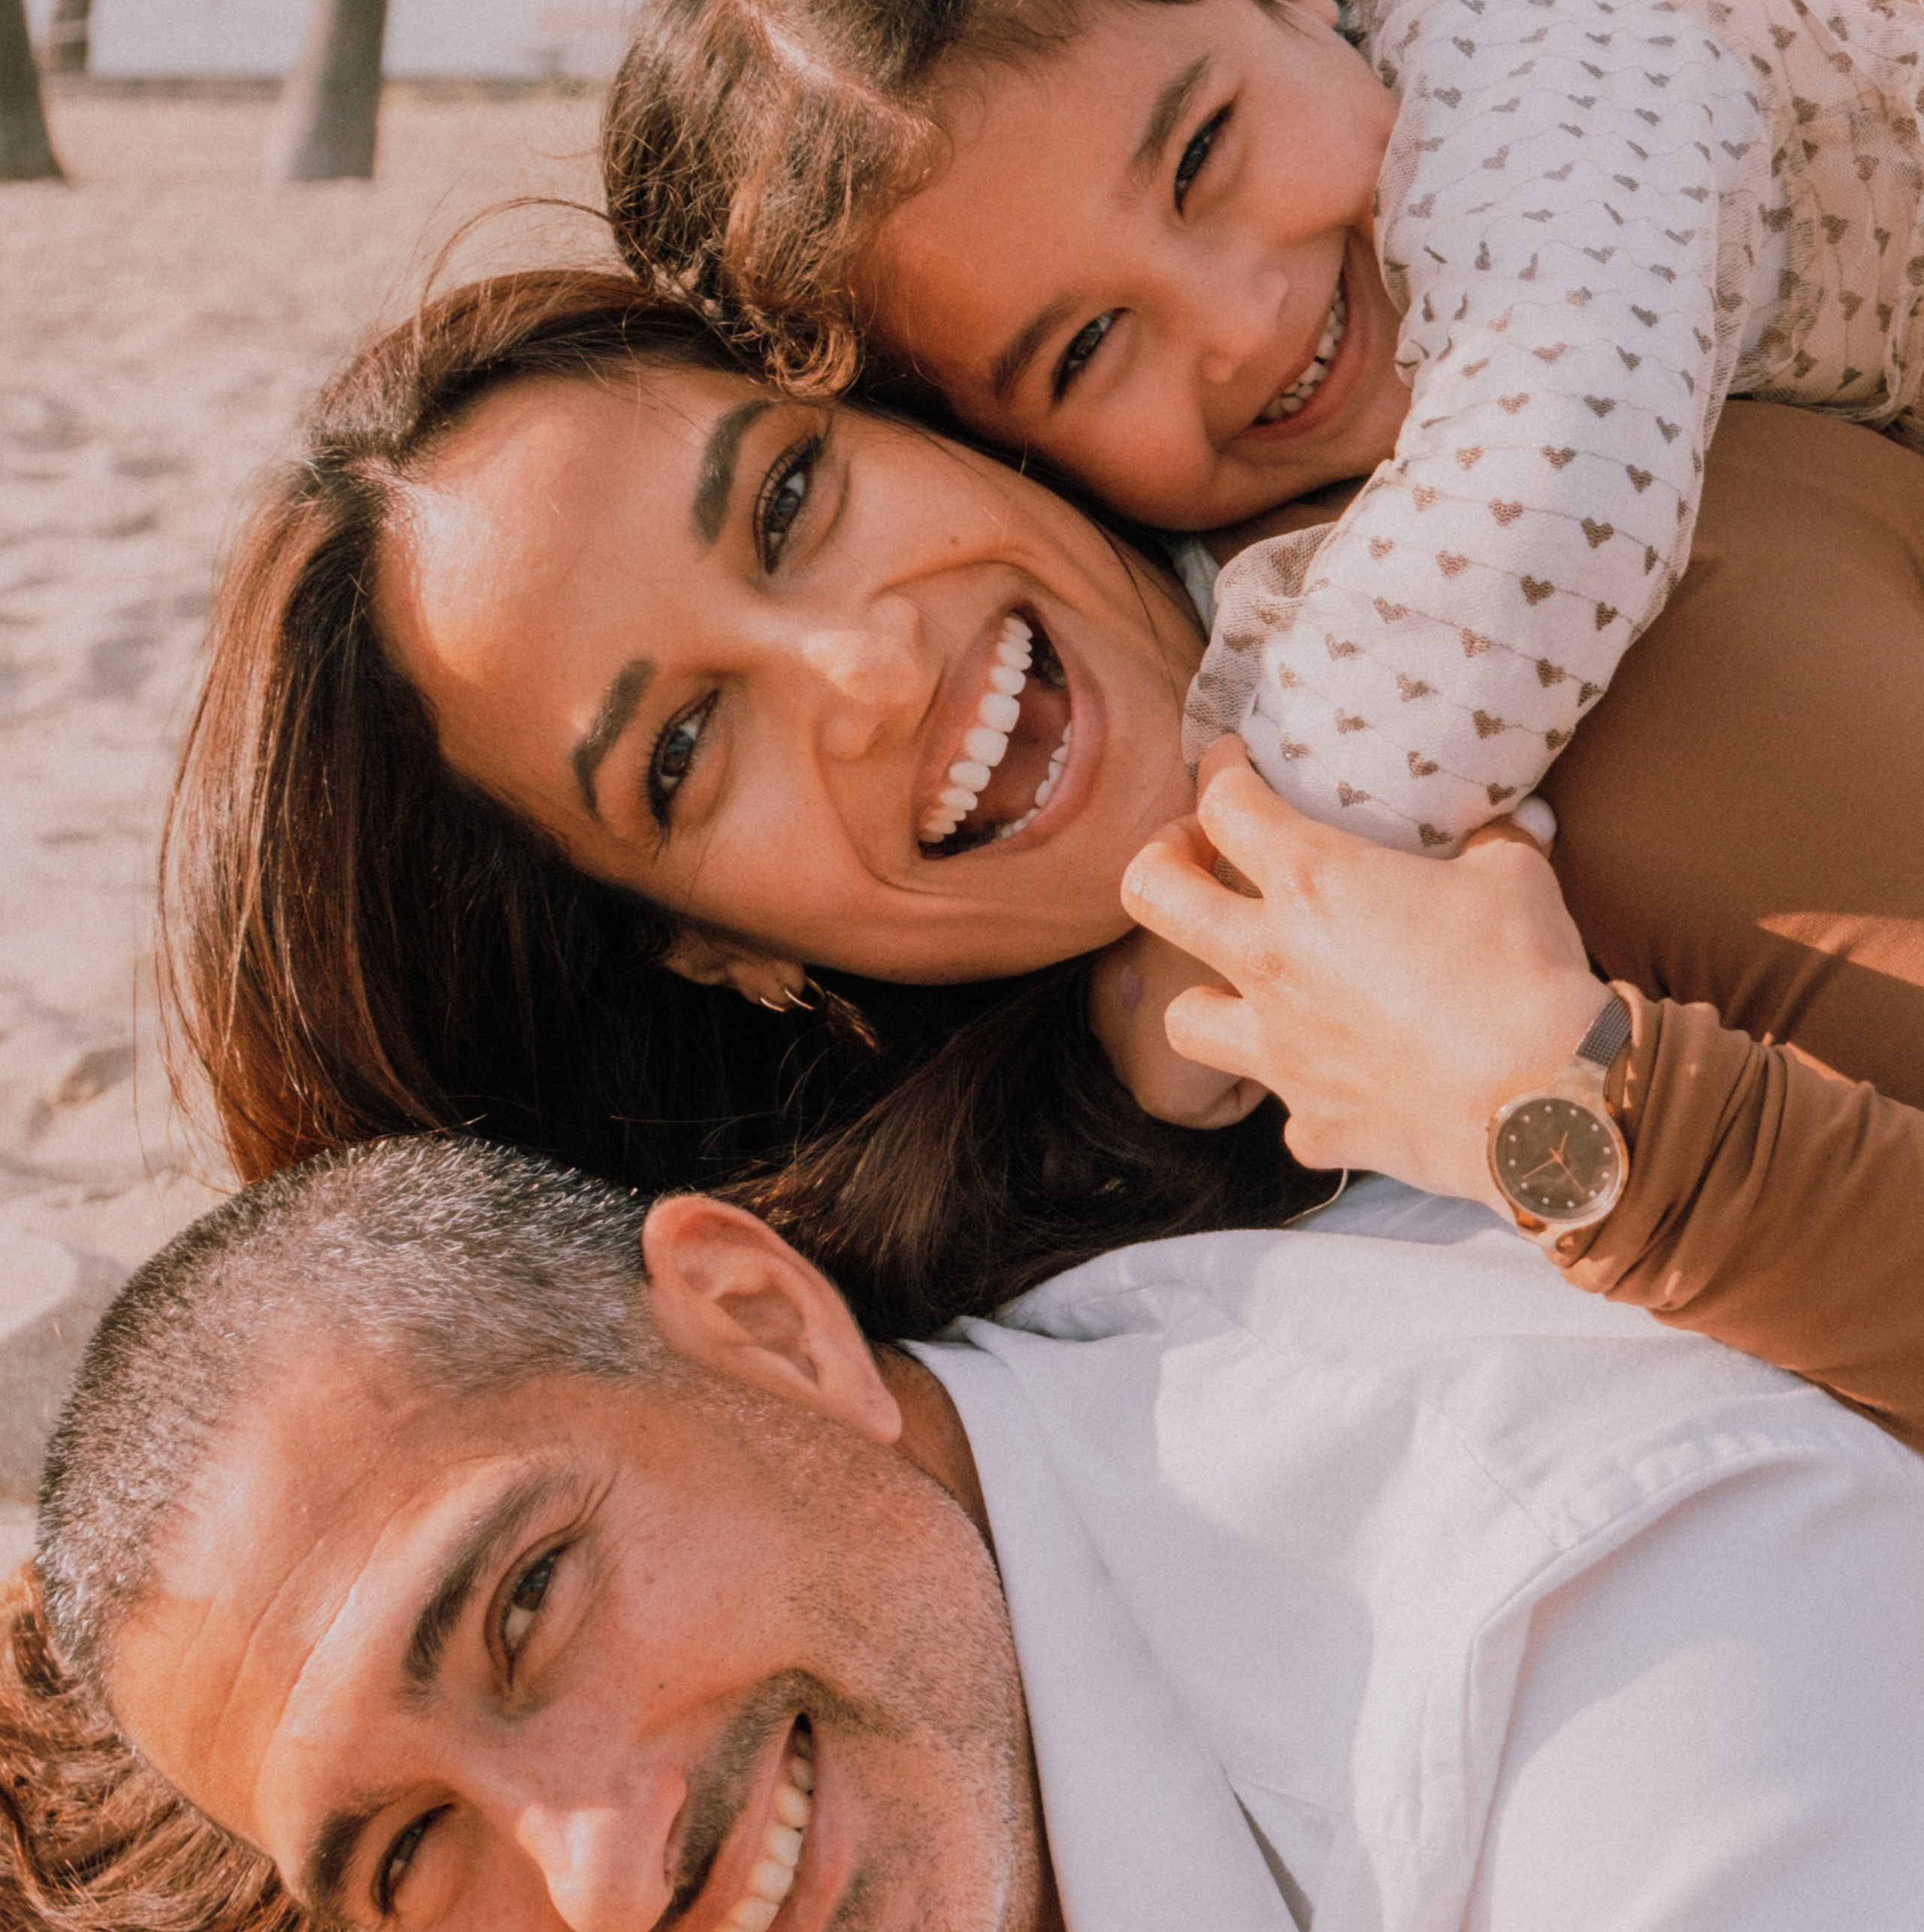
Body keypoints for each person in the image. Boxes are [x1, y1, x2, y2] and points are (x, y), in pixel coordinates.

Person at [29, 1133, 1924, 1932]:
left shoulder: (1600, 1615)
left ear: (768, 1329)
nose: (601, 1880)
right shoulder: (892, 1745)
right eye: (414, 1850)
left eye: (527, 1604)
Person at [162, 265, 1924, 1447]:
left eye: (789, 502)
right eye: (687, 753)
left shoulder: (1502, 427)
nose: (861, 672)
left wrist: (1570, 1124)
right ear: (711, 950)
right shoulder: (1023, 1352)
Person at [603, 0, 1924, 860]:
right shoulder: (1209, 523)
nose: (1238, 327)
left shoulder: (1517, 54)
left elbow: (1549, 501)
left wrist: (1226, 890)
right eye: (1088, 348)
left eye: (1197, 158)